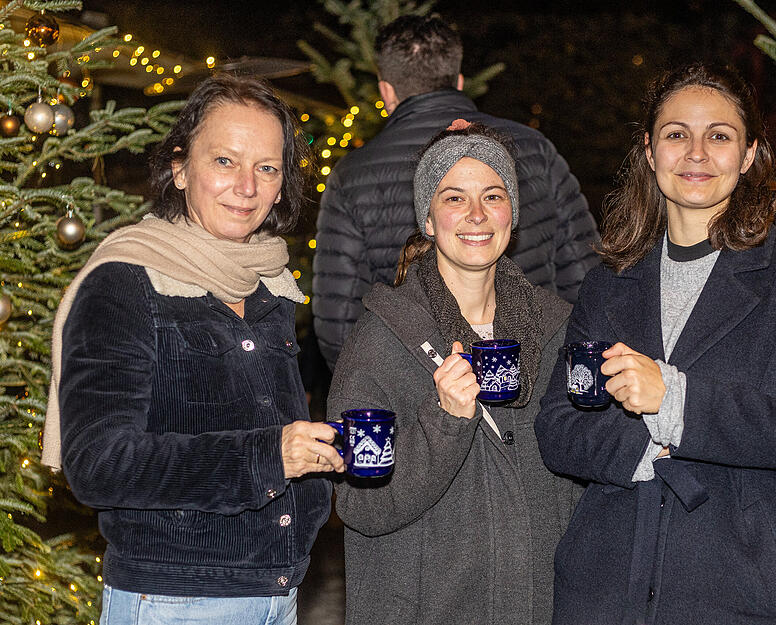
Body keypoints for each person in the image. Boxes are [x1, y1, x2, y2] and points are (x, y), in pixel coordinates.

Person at [534, 63, 776, 625]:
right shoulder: (609, 281)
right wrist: (645, 451)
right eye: (677, 134)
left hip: (741, 590)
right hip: (604, 590)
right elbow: (559, 428)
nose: (697, 153)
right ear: (650, 151)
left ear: (749, 154)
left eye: (719, 136)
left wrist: (677, 402)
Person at [44, 74, 344, 625]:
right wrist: (268, 456)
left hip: (277, 594)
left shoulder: (268, 283)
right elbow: (98, 463)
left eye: (267, 168)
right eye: (225, 161)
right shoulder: (126, 282)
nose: (247, 186)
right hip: (175, 603)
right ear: (180, 168)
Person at [328, 120, 582, 625]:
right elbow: (362, 507)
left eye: (493, 196)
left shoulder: (557, 331)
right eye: (454, 198)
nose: (476, 214)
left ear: (513, 214)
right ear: (427, 219)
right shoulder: (384, 340)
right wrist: (444, 421)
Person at [312, 14, 599, 370]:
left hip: (422, 377)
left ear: (386, 92)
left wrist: (386, 388)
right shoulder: (536, 148)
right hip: (535, 366)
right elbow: (584, 273)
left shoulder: (352, 173)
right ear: (460, 81)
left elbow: (339, 321)